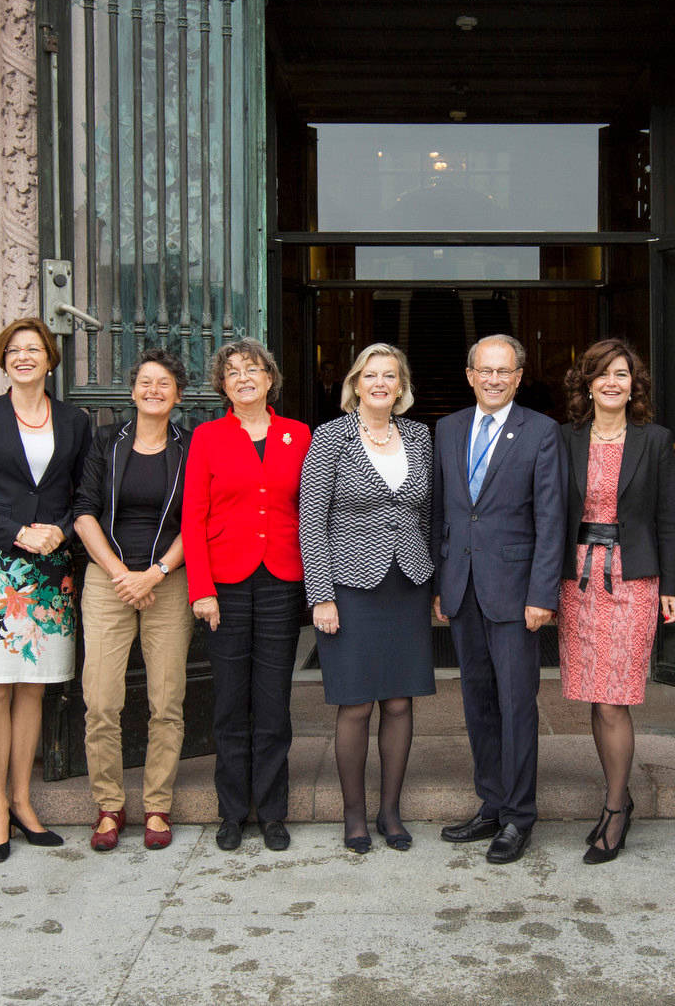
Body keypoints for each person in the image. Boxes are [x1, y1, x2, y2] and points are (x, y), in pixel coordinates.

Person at [0, 317, 92, 863]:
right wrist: (16, 532)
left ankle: (25, 801)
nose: (23, 356)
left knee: (34, 687)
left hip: (50, 575)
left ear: (50, 359)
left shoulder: (74, 421)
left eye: (33, 349)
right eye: (13, 350)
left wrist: (63, 531)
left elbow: (86, 496)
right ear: (3, 360)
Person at [432, 334, 567, 865]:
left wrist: (542, 594)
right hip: (462, 587)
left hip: (516, 593)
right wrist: (442, 582)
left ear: (518, 377)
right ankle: (490, 803)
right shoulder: (448, 428)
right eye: (484, 371)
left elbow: (551, 519)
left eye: (503, 371)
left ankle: (518, 816)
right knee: (478, 702)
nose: (493, 379)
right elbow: (441, 512)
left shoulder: (541, 431)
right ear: (470, 375)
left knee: (516, 705)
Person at [299, 343, 435, 854]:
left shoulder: (420, 437)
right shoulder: (330, 437)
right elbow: (312, 520)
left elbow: (427, 513)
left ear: (401, 387)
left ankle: (390, 812)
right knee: (355, 704)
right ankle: (354, 816)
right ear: (355, 384)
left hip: (407, 585)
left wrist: (433, 582)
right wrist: (321, 595)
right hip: (349, 588)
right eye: (371, 375)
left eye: (390, 376)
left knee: (399, 701)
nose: (380, 383)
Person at [182, 337, 311, 853]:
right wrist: (201, 589)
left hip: (281, 577)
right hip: (226, 584)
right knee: (231, 701)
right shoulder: (207, 437)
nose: (243, 378)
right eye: (233, 371)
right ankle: (232, 812)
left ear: (269, 378)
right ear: (223, 384)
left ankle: (273, 811)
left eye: (253, 369)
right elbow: (193, 516)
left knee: (274, 701)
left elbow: (310, 507)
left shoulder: (297, 434)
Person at [557, 340, 675, 865]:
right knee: (594, 693)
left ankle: (614, 810)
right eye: (603, 374)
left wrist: (671, 585)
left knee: (614, 697)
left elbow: (668, 516)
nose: (612, 382)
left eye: (622, 375)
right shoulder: (565, 439)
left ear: (634, 386)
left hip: (632, 581)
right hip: (578, 582)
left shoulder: (655, 440)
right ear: (587, 384)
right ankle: (619, 795)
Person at [73, 349, 193, 852]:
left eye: (164, 383)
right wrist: (122, 574)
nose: (153, 390)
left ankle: (157, 804)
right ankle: (109, 805)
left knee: (166, 700)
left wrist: (156, 572)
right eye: (146, 382)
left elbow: (198, 520)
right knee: (101, 700)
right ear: (132, 391)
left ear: (178, 395)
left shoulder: (191, 446)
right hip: (109, 580)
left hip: (168, 579)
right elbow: (83, 512)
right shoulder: (106, 441)